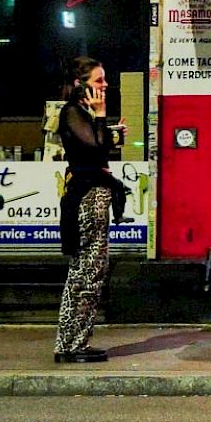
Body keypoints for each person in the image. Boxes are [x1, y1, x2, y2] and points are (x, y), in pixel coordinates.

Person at [53, 56, 128, 364]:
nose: (105, 85)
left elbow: (98, 147)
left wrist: (109, 129)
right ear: (79, 85)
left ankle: (73, 341)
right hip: (86, 199)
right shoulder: (72, 112)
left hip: (93, 196)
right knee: (87, 272)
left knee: (88, 272)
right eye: (98, 81)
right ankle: (72, 344)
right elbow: (96, 150)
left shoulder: (80, 113)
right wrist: (101, 117)